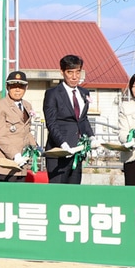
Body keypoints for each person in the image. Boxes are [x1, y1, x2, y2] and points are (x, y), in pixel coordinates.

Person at [43, 54, 93, 184]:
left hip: (77, 152)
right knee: (58, 193)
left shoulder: (84, 93)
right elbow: (51, 122)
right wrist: (63, 144)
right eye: (70, 72)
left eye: (78, 72)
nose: (74, 77)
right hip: (59, 153)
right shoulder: (52, 94)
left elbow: (83, 119)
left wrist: (92, 137)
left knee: (73, 193)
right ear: (62, 72)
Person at [0, 70, 38, 182]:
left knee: (19, 197)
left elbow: (26, 131)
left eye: (21, 86)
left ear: (26, 88)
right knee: (6, 198)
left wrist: (35, 147)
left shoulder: (27, 105)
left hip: (22, 164)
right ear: (7, 87)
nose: (17, 89)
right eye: (13, 86)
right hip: (6, 165)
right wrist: (15, 155)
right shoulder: (1, 106)